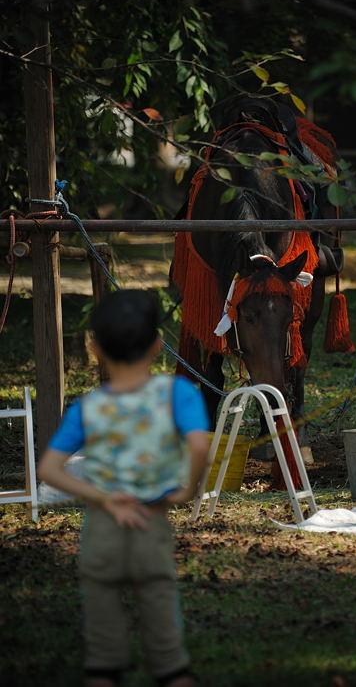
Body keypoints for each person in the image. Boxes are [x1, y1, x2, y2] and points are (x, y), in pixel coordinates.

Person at [38, 289, 210, 687]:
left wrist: (105, 497)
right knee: (169, 656)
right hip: (152, 522)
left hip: (101, 528)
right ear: (158, 343)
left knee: (102, 658)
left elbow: (49, 468)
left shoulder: (88, 406)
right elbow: (200, 444)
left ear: (95, 348)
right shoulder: (177, 393)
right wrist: (186, 491)